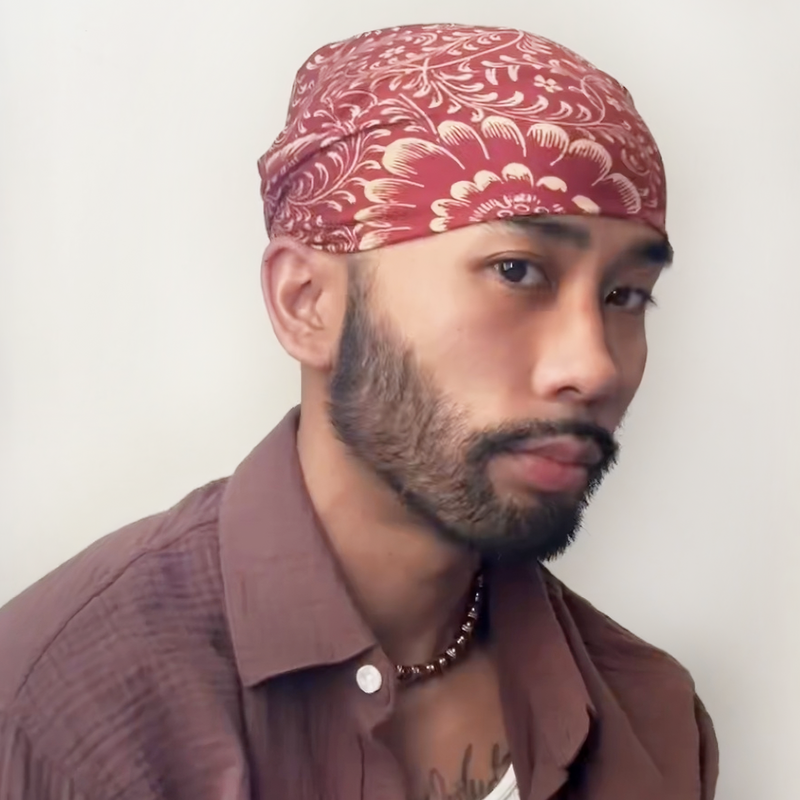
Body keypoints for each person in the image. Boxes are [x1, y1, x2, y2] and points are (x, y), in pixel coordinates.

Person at [0, 22, 718, 800]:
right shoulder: (57, 718)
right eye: (517, 270)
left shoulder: (651, 721)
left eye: (626, 296)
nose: (594, 366)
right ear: (307, 303)